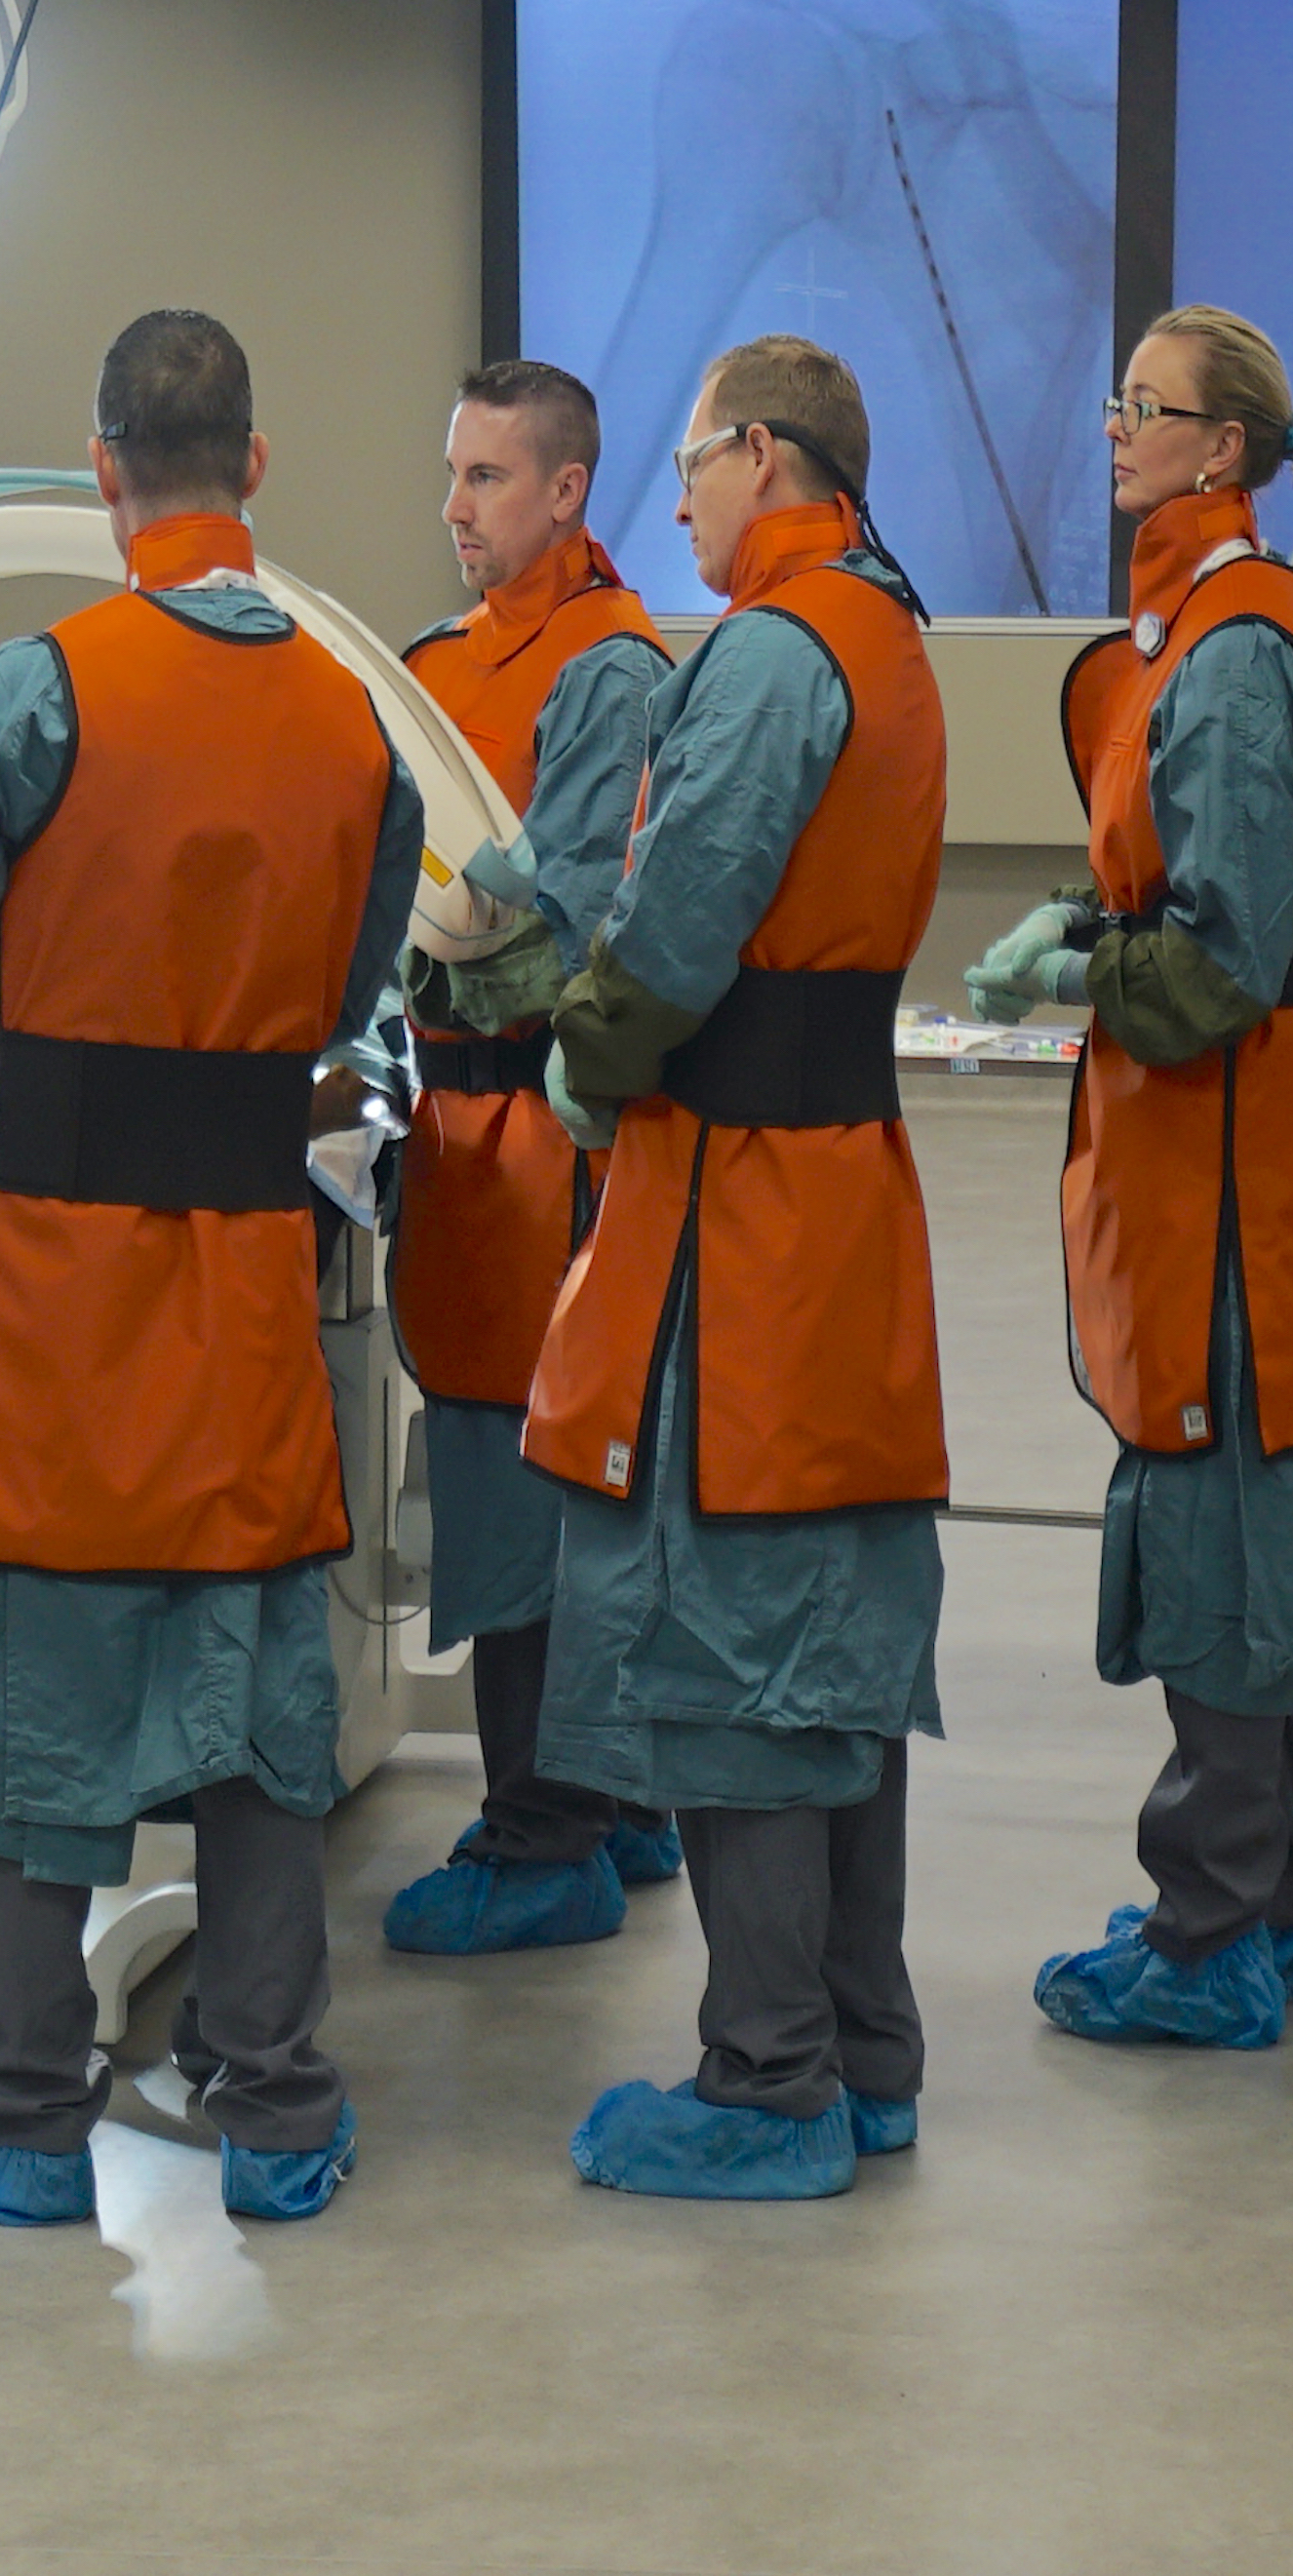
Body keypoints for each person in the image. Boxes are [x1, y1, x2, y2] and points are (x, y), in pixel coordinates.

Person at [0, 309, 419, 2232]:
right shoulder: (354, 719)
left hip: (56, 1274)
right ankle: (275, 2107)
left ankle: (20, 2117)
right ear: (254, 467)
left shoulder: (41, 693)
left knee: (31, 1673)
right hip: (250, 1260)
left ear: (103, 470)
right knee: (256, 1688)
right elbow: (355, 994)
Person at [532, 335, 952, 2202]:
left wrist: (577, 1054)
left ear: (763, 453)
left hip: (746, 1217)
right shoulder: (885, 631)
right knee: (836, 1639)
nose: (678, 496)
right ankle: (862, 2053)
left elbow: (673, 928)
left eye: (691, 462)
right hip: (837, 1195)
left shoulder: (774, 658)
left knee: (739, 1641)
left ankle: (765, 2078)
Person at [968, 304, 1293, 2050]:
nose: (1116, 425)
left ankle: (1207, 1938)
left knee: (1219, 1510)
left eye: (1151, 407)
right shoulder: (1190, 632)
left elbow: (1216, 969)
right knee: (1235, 1500)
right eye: (1120, 397)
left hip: (1226, 1164)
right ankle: (1268, 1900)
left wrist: (1078, 964)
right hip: (1210, 1160)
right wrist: (1093, 916)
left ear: (1227, 451)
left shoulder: (1228, 653)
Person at [382, 359, 684, 1958]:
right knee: (522, 1475)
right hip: (450, 1123)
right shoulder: (435, 665)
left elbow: (549, 921)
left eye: (488, 480)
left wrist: (456, 929)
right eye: (452, 477)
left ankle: (545, 1829)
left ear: (567, 490)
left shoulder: (613, 669)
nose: (456, 510)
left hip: (542, 1143)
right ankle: (615, 1798)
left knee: (527, 1493)